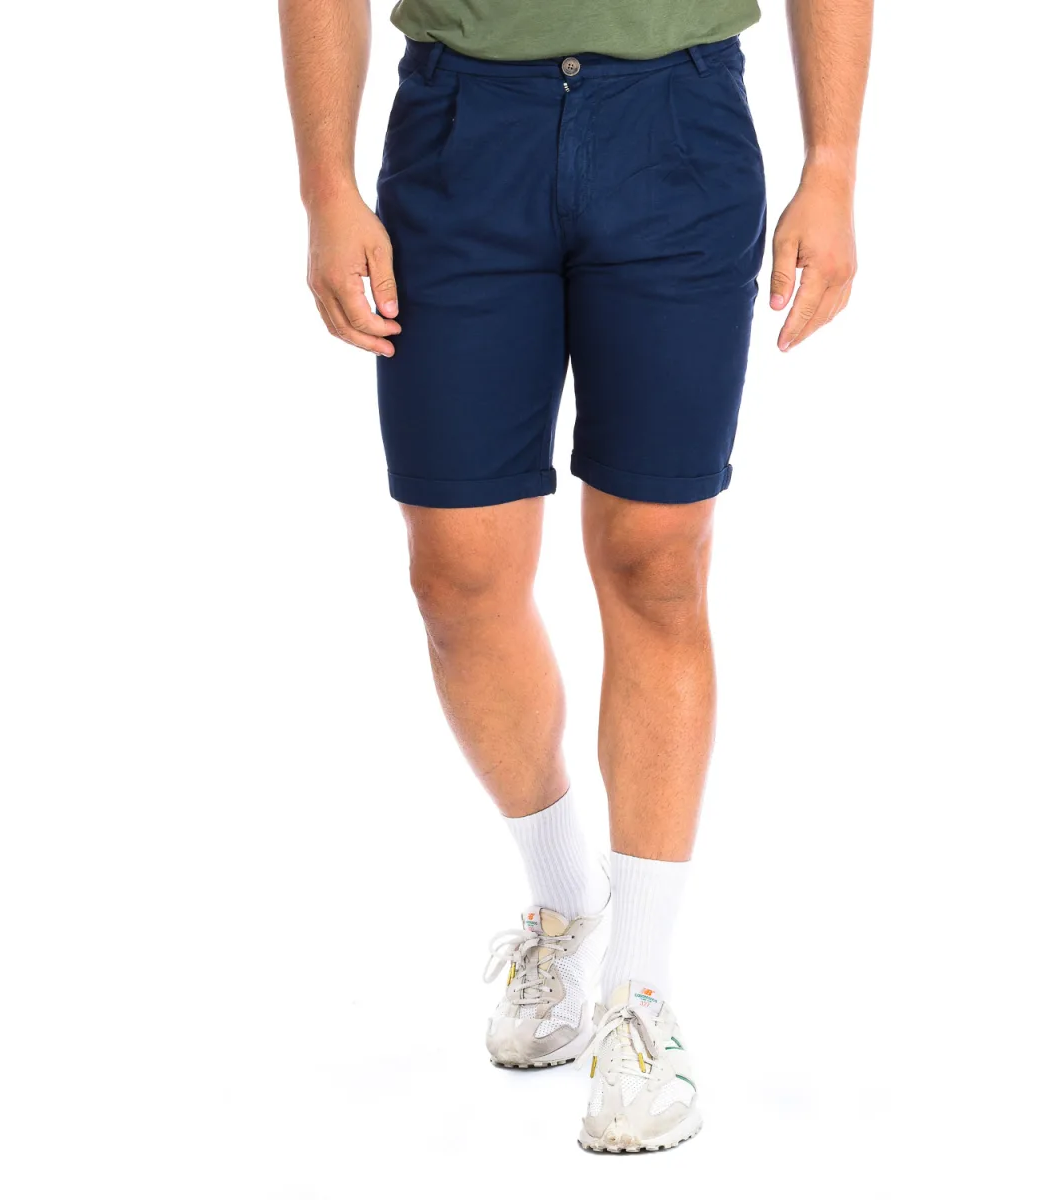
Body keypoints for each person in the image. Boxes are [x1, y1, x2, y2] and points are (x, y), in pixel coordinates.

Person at [279, 0, 871, 1153]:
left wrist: (834, 165)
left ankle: (638, 996)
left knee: (657, 561)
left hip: (676, 122)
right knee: (457, 575)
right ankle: (563, 900)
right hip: (462, 128)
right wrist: (326, 189)